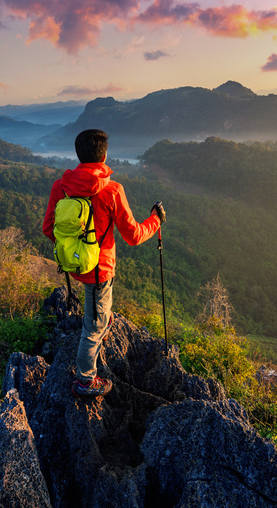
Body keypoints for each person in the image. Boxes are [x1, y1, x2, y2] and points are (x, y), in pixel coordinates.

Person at [43, 129, 165, 398]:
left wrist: (73, 249)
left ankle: (103, 320)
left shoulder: (61, 186)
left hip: (76, 266)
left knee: (98, 310)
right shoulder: (112, 190)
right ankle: (86, 381)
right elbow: (132, 236)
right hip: (100, 270)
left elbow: (48, 228)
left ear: (78, 154)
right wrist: (154, 220)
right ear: (105, 155)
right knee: (92, 327)